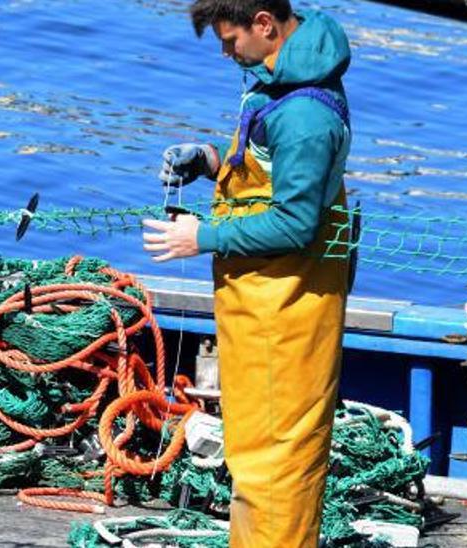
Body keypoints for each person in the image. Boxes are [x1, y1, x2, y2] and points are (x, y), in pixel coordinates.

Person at [140, 0, 353, 546]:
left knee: (278, 457)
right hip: (258, 301)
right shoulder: (279, 77)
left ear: (265, 24)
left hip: (288, 307)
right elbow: (270, 169)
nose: (227, 53)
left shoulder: (306, 116)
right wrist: (211, 160)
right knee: (252, 447)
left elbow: (295, 223)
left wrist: (200, 237)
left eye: (231, 40)